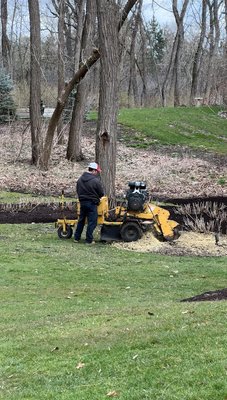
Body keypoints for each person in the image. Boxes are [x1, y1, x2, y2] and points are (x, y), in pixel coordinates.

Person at [74, 162, 104, 244]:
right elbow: (101, 193)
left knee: (81, 220)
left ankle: (76, 238)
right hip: (92, 203)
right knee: (92, 222)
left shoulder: (80, 179)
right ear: (93, 170)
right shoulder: (95, 181)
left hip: (82, 203)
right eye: (97, 171)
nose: (97, 173)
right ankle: (89, 240)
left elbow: (78, 191)